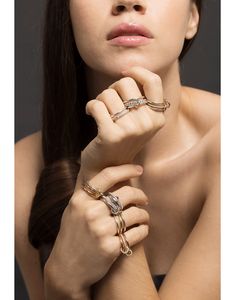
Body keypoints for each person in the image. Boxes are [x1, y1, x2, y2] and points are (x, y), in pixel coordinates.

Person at [15, 0, 220, 299]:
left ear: (192, 18)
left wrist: (106, 170)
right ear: (67, 16)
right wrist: (62, 286)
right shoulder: (21, 169)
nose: (128, 1)